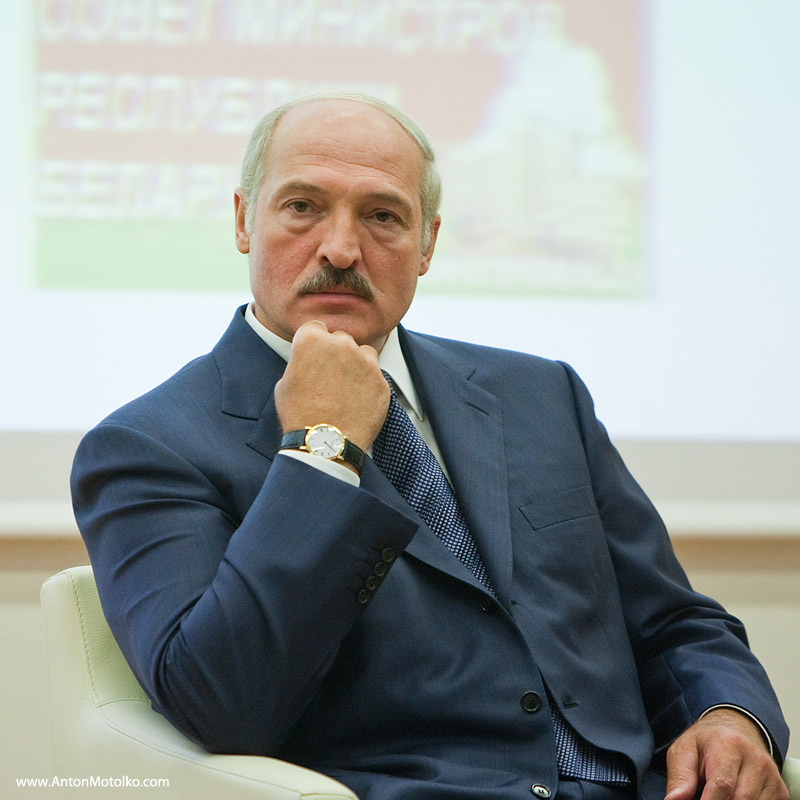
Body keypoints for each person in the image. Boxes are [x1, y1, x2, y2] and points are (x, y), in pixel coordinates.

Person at [71, 92, 789, 800]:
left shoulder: (540, 395)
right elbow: (221, 703)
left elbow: (673, 622)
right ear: (242, 221)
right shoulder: (150, 445)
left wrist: (726, 712)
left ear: (428, 245)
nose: (341, 248)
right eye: (302, 207)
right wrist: (322, 449)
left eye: (383, 216)